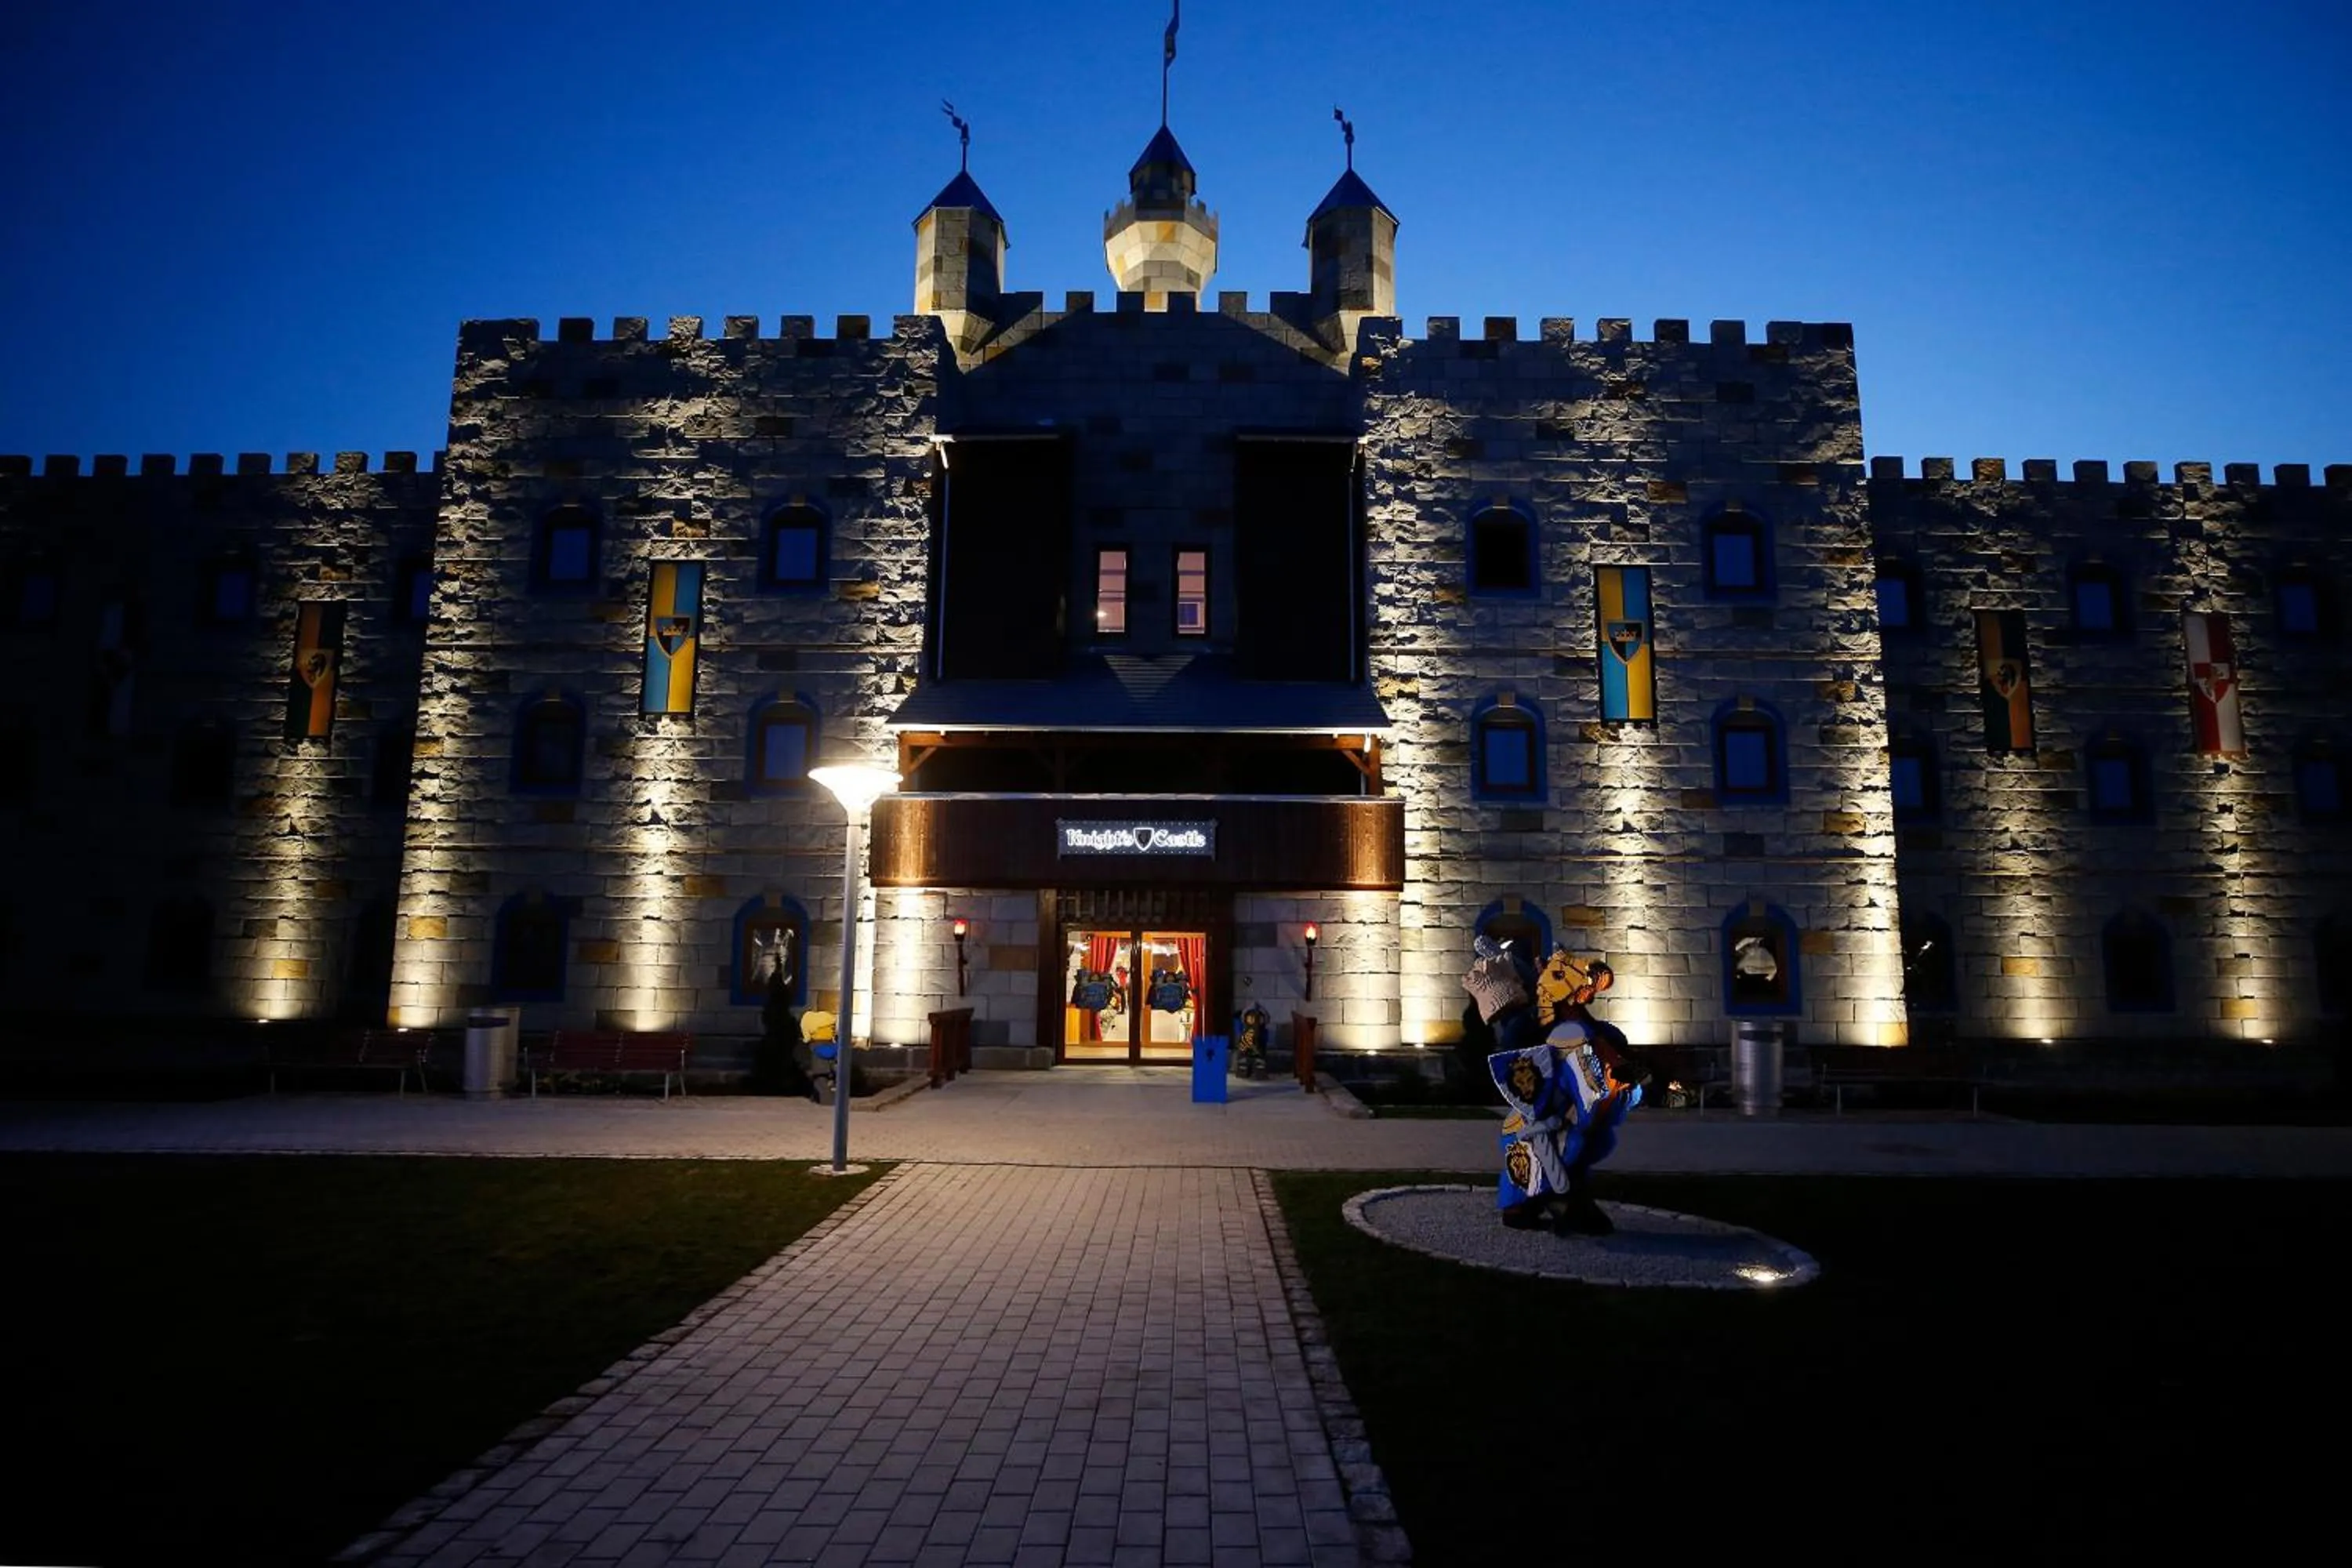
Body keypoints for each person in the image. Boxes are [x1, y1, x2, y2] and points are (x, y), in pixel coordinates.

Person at [1471, 938, 1641, 1236]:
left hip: (1573, 1110)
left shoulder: (1586, 1029)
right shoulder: (1539, 1027)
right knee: (1550, 1149)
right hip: (1548, 1114)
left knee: (1588, 1143)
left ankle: (1568, 1201)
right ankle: (1531, 1205)